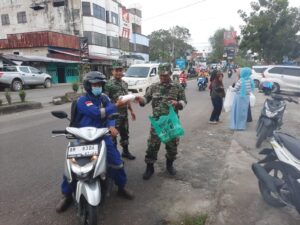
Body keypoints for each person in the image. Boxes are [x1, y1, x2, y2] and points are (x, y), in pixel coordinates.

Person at [56, 71, 134, 213]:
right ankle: (66, 195)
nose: (97, 86)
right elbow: (97, 114)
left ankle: (121, 186)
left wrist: (111, 125)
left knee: (117, 162)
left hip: (101, 135)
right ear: (88, 86)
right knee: (71, 167)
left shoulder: (104, 98)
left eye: (99, 84)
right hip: (82, 137)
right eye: (94, 84)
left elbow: (109, 115)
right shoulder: (82, 100)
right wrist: (116, 105)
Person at [135, 63, 187, 180]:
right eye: (161, 75)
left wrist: (178, 104)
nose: (163, 77)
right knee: (152, 146)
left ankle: (169, 165)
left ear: (170, 73)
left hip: (171, 123)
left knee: (172, 146)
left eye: (165, 75)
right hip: (157, 123)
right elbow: (145, 100)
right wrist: (140, 100)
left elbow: (184, 101)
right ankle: (149, 167)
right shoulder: (153, 87)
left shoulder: (177, 87)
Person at [105, 62, 136, 160]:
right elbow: (105, 101)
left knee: (125, 134)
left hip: (124, 114)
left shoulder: (124, 83)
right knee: (113, 136)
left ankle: (125, 152)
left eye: (120, 70)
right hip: (113, 115)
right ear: (112, 72)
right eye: (116, 70)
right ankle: (115, 157)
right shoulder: (108, 85)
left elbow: (126, 98)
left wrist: (131, 110)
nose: (119, 72)